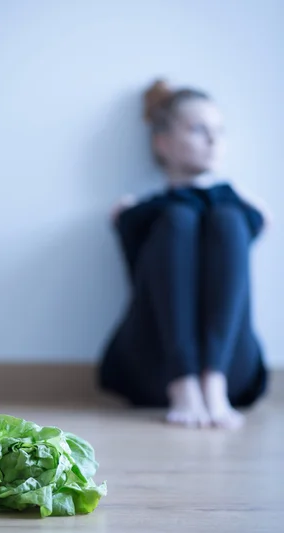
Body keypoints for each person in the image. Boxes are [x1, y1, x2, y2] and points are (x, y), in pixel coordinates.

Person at [97, 79, 271, 429]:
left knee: (226, 219)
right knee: (178, 218)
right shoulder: (139, 212)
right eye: (198, 129)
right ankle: (183, 382)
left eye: (220, 131)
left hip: (231, 373)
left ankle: (212, 381)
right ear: (162, 143)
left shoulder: (235, 208)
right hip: (154, 369)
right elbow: (145, 217)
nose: (213, 140)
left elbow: (245, 220)